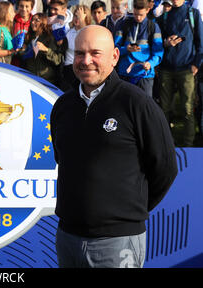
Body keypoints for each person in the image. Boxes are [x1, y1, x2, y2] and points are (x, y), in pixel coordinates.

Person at [50, 25, 178, 268]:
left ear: (114, 56)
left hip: (118, 241)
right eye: (80, 53)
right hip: (68, 237)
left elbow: (165, 168)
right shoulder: (62, 107)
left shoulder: (137, 104)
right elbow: (62, 159)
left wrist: (126, 211)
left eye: (95, 53)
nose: (86, 61)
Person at [156, 0, 203, 147]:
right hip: (166, 70)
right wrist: (166, 42)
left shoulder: (193, 13)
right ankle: (166, 143)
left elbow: (200, 43)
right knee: (164, 109)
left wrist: (196, 64)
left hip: (186, 69)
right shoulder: (164, 16)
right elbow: (157, 42)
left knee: (187, 109)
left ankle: (188, 144)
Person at [114, 0, 163, 98]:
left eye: (141, 14)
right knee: (124, 107)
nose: (138, 17)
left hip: (144, 75)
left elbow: (158, 52)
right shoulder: (123, 24)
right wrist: (126, 49)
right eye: (135, 14)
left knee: (144, 108)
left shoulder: (153, 27)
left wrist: (150, 64)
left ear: (148, 10)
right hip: (125, 74)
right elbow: (115, 49)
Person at [21, 12, 67, 89]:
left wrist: (45, 49)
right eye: (32, 20)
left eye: (37, 20)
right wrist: (22, 51)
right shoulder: (28, 37)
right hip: (30, 79)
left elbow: (58, 60)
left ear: (43, 22)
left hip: (46, 81)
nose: (33, 22)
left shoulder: (50, 38)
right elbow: (22, 57)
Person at [63, 5, 92, 90]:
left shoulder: (88, 30)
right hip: (67, 68)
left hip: (80, 68)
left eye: (79, 16)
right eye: (75, 15)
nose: (77, 18)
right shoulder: (69, 31)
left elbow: (85, 37)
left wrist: (82, 20)